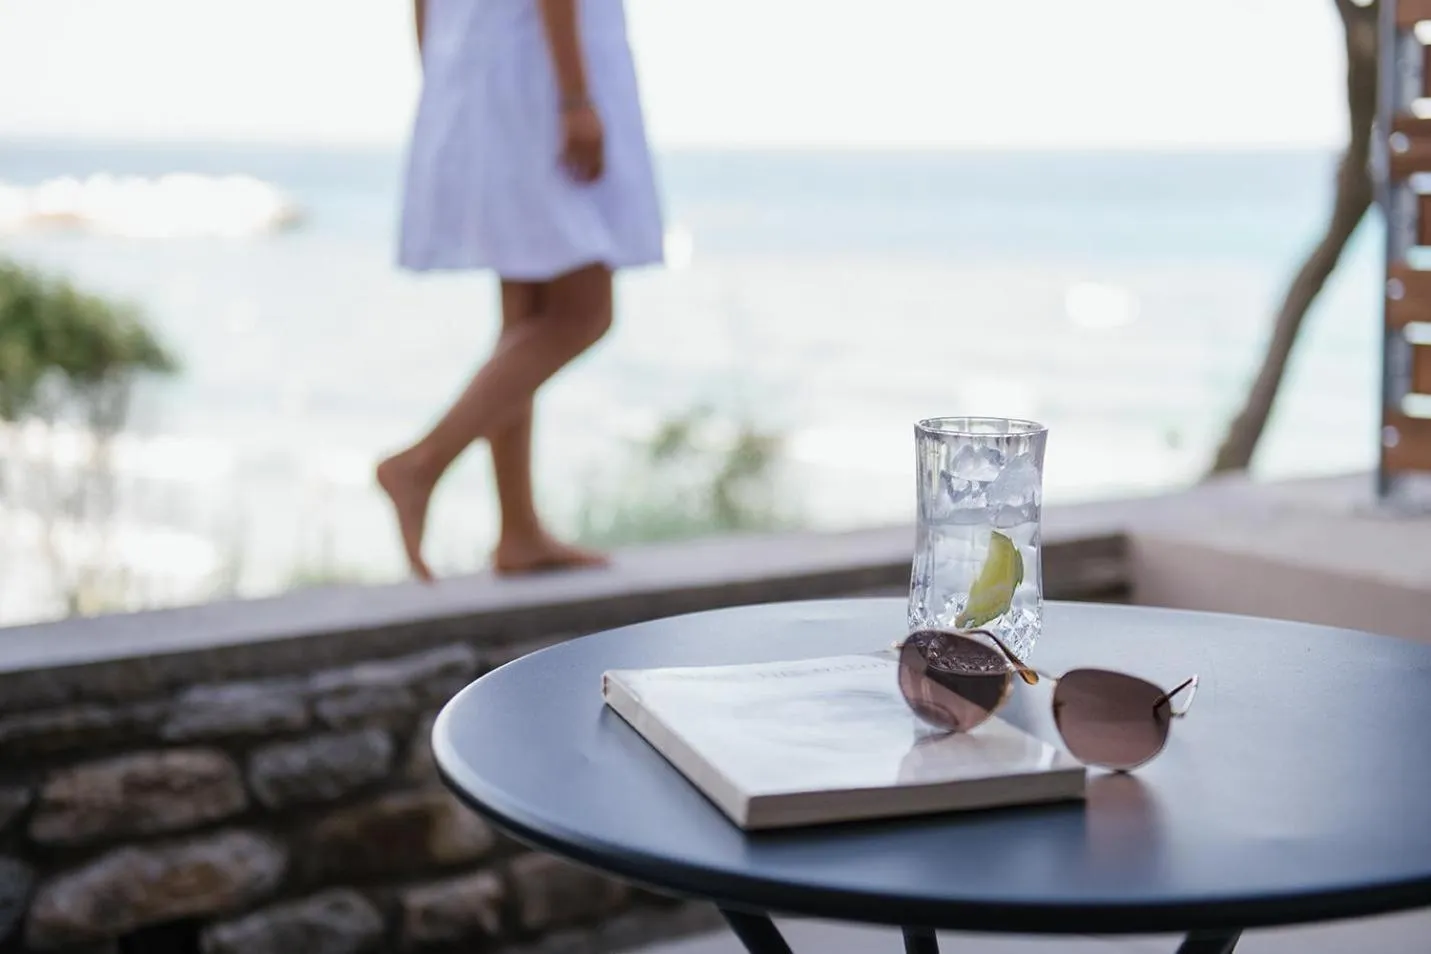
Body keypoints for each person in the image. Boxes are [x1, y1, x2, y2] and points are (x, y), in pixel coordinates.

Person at [379, 0, 664, 582]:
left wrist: (445, 77)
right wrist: (576, 98)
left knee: (525, 312)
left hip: (486, 70)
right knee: (584, 312)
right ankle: (422, 464)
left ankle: (518, 530)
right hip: (543, 77)